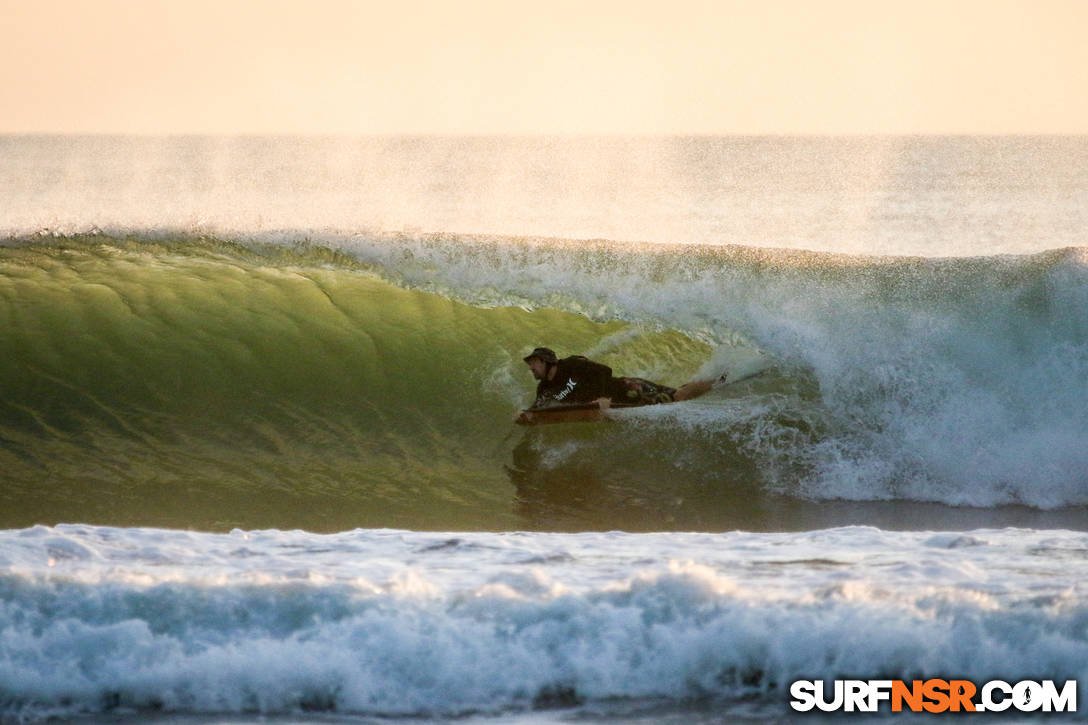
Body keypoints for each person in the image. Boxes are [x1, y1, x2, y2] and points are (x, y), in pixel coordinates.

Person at [518, 346, 715, 423]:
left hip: (626, 389)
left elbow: (605, 371)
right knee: (672, 396)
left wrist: (605, 396)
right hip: (618, 405)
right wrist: (525, 416)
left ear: (545, 361)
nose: (531, 368)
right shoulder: (544, 388)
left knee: (676, 397)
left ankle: (717, 381)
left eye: (533, 363)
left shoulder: (571, 364)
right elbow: (540, 408)